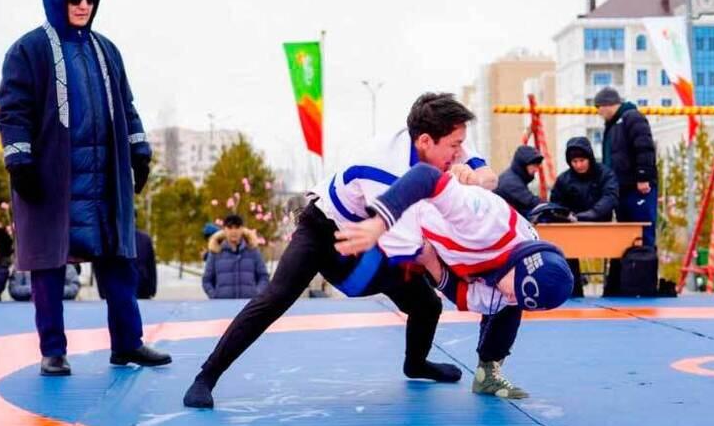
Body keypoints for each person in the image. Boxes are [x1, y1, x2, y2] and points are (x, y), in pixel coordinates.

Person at [183, 92, 497, 408]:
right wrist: (469, 286)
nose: (458, 154)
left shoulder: (440, 138)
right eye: (454, 147)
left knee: (427, 305)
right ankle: (205, 377)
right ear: (426, 142)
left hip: (370, 236)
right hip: (324, 231)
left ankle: (415, 364)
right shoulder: (383, 169)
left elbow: (488, 177)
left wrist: (478, 179)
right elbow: (412, 248)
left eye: (460, 146)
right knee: (274, 299)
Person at [0, 0, 171, 376]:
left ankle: (127, 343)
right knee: (48, 269)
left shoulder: (106, 50)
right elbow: (13, 109)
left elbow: (126, 106)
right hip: (53, 179)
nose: (83, 5)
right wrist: (20, 160)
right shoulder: (29, 50)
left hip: (105, 180)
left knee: (119, 263)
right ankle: (52, 351)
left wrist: (139, 150)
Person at [336, 162, 575, 399]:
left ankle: (486, 371)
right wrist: (381, 224)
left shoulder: (519, 277)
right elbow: (426, 176)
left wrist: (431, 262)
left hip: (439, 250)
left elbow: (465, 296)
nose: (513, 298)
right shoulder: (485, 220)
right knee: (355, 282)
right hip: (412, 219)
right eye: (517, 293)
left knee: (500, 309)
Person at [550, 137, 619, 296]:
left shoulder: (605, 174)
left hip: (601, 226)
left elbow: (610, 197)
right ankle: (573, 292)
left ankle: (613, 291)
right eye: (574, 161)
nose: (579, 165)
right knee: (564, 250)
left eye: (582, 160)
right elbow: (555, 203)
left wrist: (588, 215)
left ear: (589, 158)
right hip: (571, 229)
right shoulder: (564, 179)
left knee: (620, 250)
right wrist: (564, 216)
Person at [594, 87, 658, 245]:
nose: (598, 113)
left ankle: (645, 265)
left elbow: (644, 147)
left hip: (637, 187)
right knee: (626, 233)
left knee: (642, 231)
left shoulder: (632, 117)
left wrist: (643, 177)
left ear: (607, 104)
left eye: (599, 107)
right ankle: (628, 268)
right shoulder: (612, 126)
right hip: (620, 187)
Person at [202, 215, 270, 299]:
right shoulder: (216, 252)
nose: (233, 231)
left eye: (237, 227)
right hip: (222, 306)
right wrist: (215, 295)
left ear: (242, 229)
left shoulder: (253, 251)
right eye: (230, 227)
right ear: (224, 230)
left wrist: (257, 293)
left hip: (249, 306)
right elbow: (207, 280)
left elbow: (263, 277)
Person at [493, 145, 545, 217]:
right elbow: (532, 202)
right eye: (534, 166)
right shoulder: (510, 182)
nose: (536, 170)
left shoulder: (515, 178)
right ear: (523, 165)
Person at [10, 264, 81, 301]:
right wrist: (35, 289)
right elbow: (14, 289)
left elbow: (74, 287)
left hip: (62, 308)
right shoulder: (22, 264)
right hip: (25, 309)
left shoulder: (65, 264)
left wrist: (53, 291)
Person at [135, 228, 158, 299]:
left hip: (143, 289)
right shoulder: (112, 237)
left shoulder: (145, 238)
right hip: (119, 289)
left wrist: (152, 288)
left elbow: (151, 266)